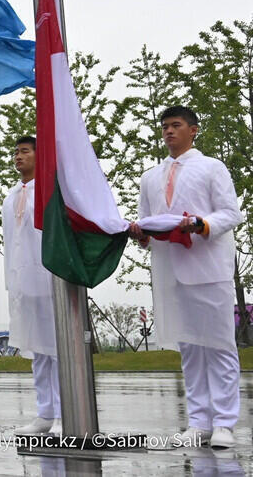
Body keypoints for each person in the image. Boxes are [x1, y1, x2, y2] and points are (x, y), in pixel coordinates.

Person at [129, 106, 241, 449]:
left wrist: (200, 224)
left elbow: (230, 213)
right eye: (164, 127)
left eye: (175, 125)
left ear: (193, 130)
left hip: (207, 267)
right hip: (170, 269)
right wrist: (139, 233)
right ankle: (198, 421)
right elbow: (146, 219)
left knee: (219, 345)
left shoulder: (211, 167)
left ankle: (224, 422)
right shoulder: (150, 176)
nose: (168, 132)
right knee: (189, 347)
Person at [3, 136, 61, 435]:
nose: (18, 157)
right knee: (37, 349)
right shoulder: (11, 195)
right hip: (23, 280)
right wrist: (10, 282)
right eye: (16, 152)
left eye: (25, 151)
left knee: (57, 348)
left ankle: (66, 413)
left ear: (41, 155)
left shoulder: (52, 188)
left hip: (50, 275)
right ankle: (45, 413)